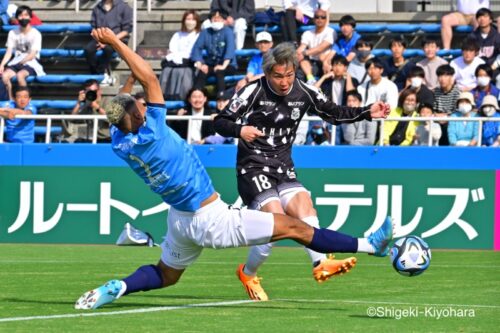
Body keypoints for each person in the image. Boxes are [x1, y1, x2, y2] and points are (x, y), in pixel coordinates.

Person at [74, 28, 394, 310]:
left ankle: (120, 286)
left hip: (179, 221)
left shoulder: (119, 141)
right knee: (296, 227)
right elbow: (150, 78)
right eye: (141, 105)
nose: (144, 103)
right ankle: (371, 245)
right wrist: (115, 42)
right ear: (141, 116)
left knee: (166, 275)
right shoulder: (154, 129)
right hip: (211, 218)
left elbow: (122, 105)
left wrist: (122, 70)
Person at [213, 43, 391, 301]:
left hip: (283, 167)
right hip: (252, 166)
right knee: (274, 223)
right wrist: (239, 130)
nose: (284, 82)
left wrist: (366, 112)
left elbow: (333, 112)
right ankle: (248, 273)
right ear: (267, 73)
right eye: (277, 76)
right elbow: (219, 121)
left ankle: (320, 263)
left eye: (289, 75)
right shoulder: (253, 90)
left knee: (305, 208)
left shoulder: (305, 91)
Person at [0, 5, 44, 100]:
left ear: (30, 17)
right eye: (20, 15)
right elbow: (9, 52)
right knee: (4, 76)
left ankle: (24, 100)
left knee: (20, 75)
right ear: (17, 18)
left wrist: (22, 62)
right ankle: (11, 100)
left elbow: (32, 54)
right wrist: (2, 65)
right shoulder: (12, 33)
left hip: (31, 62)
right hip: (16, 61)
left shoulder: (36, 33)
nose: (23, 17)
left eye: (25, 15)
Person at [85, 0, 133, 85]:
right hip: (100, 38)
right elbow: (93, 27)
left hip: (117, 39)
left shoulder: (124, 7)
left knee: (108, 49)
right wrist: (100, 39)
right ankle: (96, 74)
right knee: (88, 50)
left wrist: (110, 40)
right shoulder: (97, 8)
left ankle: (102, 73)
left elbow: (126, 31)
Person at [191, 10, 237, 99]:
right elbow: (197, 47)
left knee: (219, 72)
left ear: (224, 20)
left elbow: (230, 50)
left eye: (219, 18)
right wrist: (200, 64)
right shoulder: (205, 32)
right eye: (214, 18)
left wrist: (223, 66)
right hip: (211, 63)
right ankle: (196, 95)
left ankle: (221, 97)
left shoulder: (228, 32)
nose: (216, 20)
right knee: (202, 72)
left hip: (228, 64)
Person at [159, 10, 200, 101]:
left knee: (183, 72)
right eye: (188, 19)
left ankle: (182, 98)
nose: (190, 22)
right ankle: (165, 97)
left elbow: (194, 51)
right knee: (166, 71)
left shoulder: (199, 35)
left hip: (190, 63)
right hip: (175, 61)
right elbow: (172, 49)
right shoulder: (177, 35)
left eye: (193, 19)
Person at [296, 8, 334, 85]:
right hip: (310, 62)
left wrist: (303, 53)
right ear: (313, 19)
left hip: (324, 62)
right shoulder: (307, 33)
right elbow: (301, 48)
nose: (320, 19)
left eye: (323, 17)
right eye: (317, 17)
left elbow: (320, 49)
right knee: (299, 70)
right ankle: (310, 80)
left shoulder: (331, 32)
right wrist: (298, 54)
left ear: (326, 19)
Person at [433, 64, 462, 146]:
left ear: (451, 77)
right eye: (440, 76)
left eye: (446, 76)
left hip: (452, 120)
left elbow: (457, 111)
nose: (442, 79)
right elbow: (434, 108)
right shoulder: (436, 91)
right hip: (438, 120)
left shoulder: (457, 92)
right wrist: (437, 115)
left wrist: (446, 117)